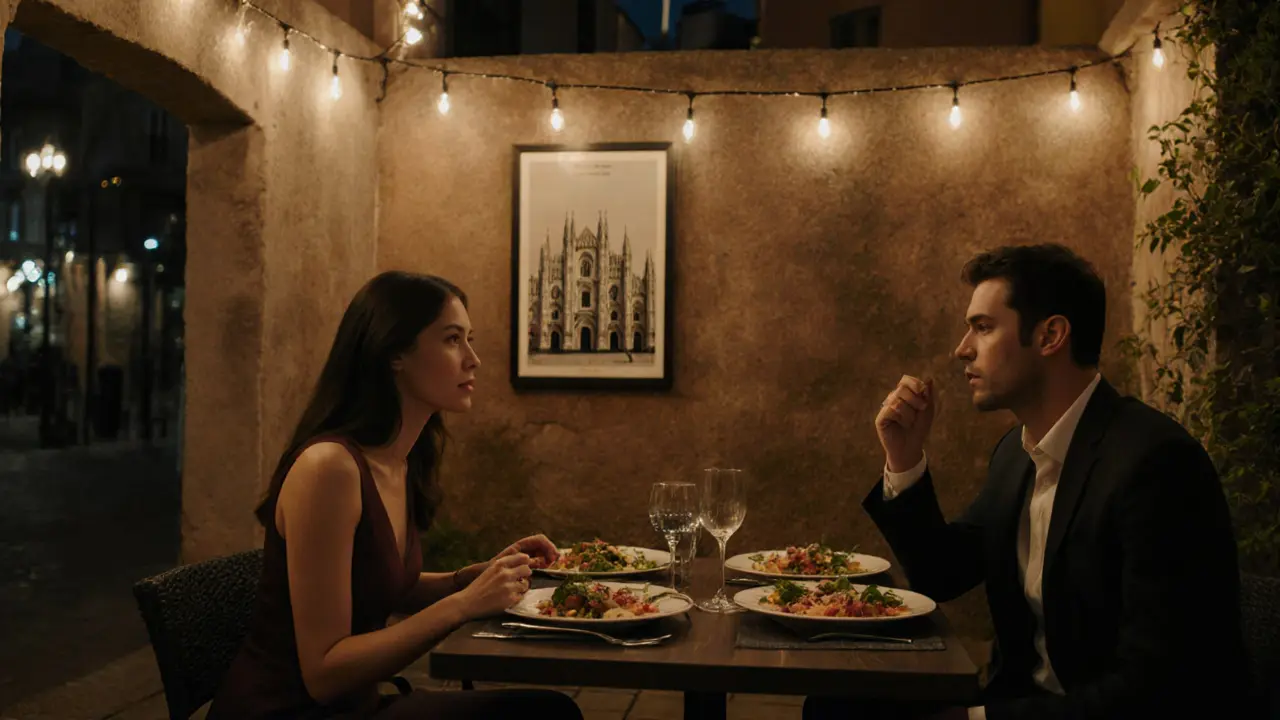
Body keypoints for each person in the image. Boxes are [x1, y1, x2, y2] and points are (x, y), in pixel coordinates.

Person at [805, 244, 1249, 719]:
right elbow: (943, 573)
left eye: (983, 327)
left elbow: (1155, 686)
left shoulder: (1155, 463)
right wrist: (904, 458)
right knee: (836, 705)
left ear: (1051, 335)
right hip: (1015, 701)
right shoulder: (1016, 456)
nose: (962, 349)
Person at [209, 272, 582, 719]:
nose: (473, 359)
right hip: (288, 711)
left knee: (546, 710)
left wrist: (469, 578)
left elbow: (380, 583)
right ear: (394, 354)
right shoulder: (329, 469)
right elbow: (323, 672)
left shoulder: (397, 460)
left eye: (470, 339)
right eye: (452, 340)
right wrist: (463, 605)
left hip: (357, 705)